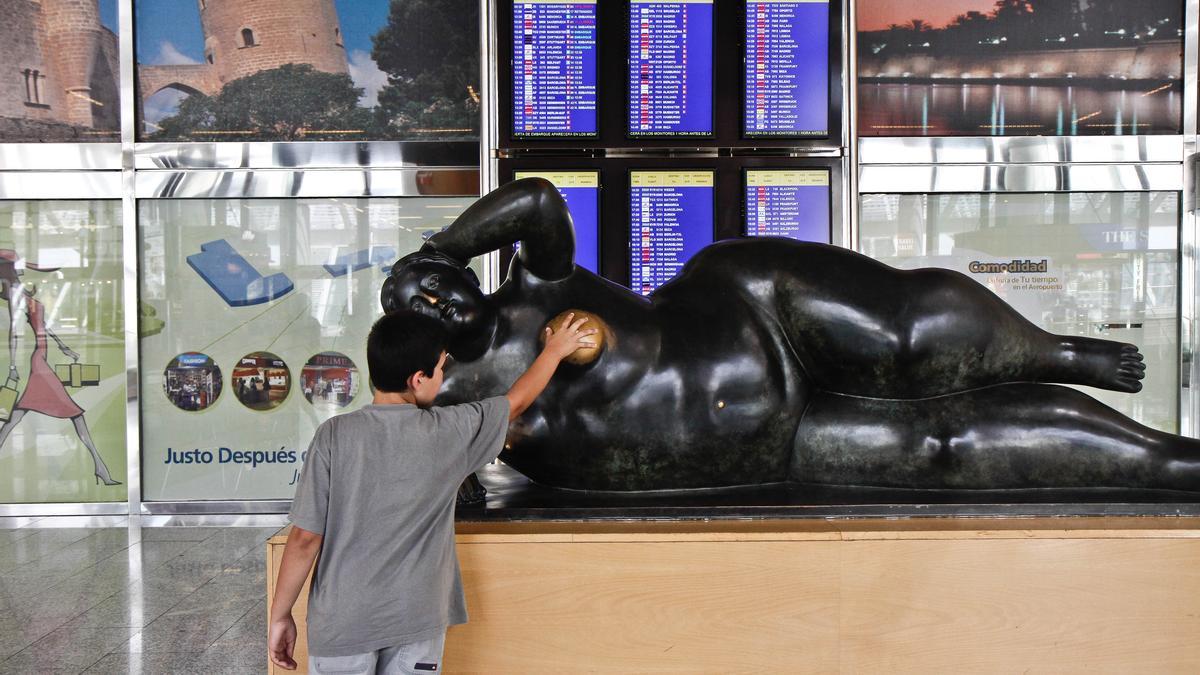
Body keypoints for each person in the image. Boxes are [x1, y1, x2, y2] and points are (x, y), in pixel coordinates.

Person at [382, 177, 1200, 494]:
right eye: (419, 302)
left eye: (437, 280)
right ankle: (1173, 461)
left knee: (909, 338)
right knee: (947, 447)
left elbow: (537, 201)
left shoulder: (537, 283)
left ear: (460, 266)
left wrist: (440, 242)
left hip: (756, 314)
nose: (440, 300)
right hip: (768, 444)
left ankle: (1052, 350)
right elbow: (439, 471)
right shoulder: (453, 394)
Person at [267, 308, 595, 673]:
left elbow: (304, 539)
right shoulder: (449, 431)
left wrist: (280, 615)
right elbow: (515, 402)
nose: (443, 377)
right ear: (418, 379)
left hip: (343, 622)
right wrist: (553, 351)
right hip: (416, 618)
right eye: (441, 369)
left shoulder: (333, 435)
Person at [0, 250, 119, 486]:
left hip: (39, 360)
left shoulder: (21, 294)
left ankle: (100, 468)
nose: (22, 269)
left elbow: (42, 326)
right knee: (74, 414)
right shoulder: (15, 295)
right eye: (18, 266)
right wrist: (13, 365)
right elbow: (15, 332)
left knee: (13, 421)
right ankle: (101, 468)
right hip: (36, 365)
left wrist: (64, 347)